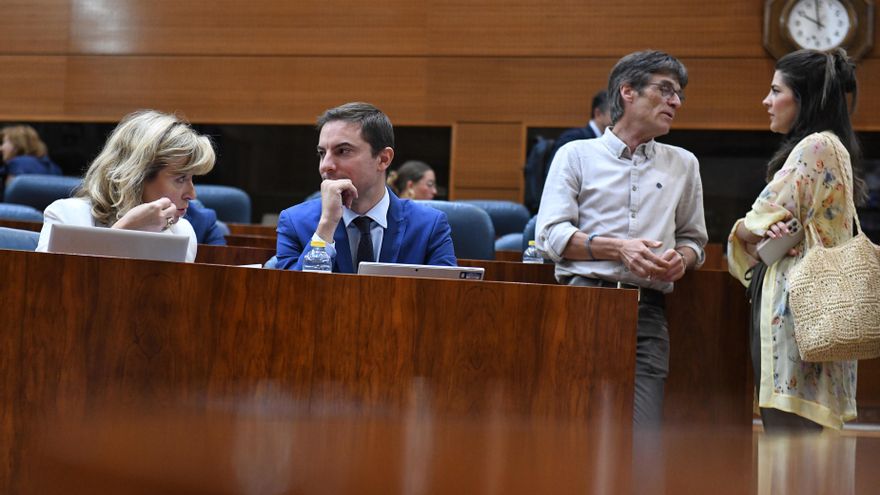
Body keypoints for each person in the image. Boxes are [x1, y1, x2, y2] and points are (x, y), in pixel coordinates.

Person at [535, 50, 708, 426]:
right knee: (573, 428)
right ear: (628, 92)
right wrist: (619, 248)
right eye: (665, 90)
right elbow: (550, 235)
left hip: (648, 312)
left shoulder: (684, 163)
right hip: (582, 300)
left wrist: (682, 258)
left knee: (643, 439)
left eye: (678, 94)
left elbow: (695, 240)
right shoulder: (575, 155)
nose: (675, 102)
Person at [728, 48, 865, 431]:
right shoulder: (834, 145)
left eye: (776, 91)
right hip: (819, 304)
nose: (766, 101)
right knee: (805, 440)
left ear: (802, 98)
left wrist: (741, 229)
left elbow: (759, 219)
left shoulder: (815, 146)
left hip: (795, 307)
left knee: (789, 433)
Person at [275, 102, 456, 272]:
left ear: (383, 159)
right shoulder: (295, 222)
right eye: (322, 153)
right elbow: (292, 297)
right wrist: (326, 227)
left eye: (343, 151)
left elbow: (445, 299)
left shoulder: (429, 226)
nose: (325, 165)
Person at [36, 110, 216, 262]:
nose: (192, 194)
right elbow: (52, 290)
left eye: (192, 179)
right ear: (137, 177)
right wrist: (126, 230)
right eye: (180, 179)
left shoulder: (182, 232)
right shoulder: (66, 215)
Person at [547, 89, 612, 164]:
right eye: (614, 112)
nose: (619, 117)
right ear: (598, 114)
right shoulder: (573, 139)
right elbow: (555, 172)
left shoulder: (609, 142)